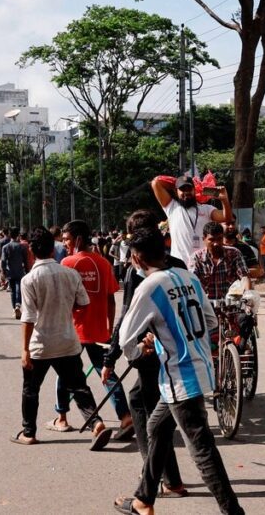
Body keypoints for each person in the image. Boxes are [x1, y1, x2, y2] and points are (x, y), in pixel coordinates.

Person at [115, 227, 243, 515]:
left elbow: (125, 338)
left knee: (202, 451)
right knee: (156, 427)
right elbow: (210, 321)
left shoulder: (149, 286)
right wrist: (164, 337)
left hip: (180, 377)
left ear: (136, 258)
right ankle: (144, 499)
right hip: (198, 369)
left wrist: (140, 352)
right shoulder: (189, 277)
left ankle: (233, 511)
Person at [102, 210, 188, 501]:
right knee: (157, 412)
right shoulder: (179, 266)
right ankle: (169, 478)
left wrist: (110, 357)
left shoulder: (139, 272)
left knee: (143, 403)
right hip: (179, 352)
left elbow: (126, 319)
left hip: (153, 351)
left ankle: (154, 477)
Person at [11, 226, 112, 450]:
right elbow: (83, 302)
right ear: (52, 250)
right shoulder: (70, 274)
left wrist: (25, 350)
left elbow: (28, 318)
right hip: (67, 341)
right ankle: (96, 423)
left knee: (31, 389)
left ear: (32, 252)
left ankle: (29, 432)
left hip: (41, 344)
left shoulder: (29, 280)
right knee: (79, 387)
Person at [49, 220, 132, 438]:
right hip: (99, 330)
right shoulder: (104, 263)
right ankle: (125, 416)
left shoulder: (67, 263)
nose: (65, 244)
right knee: (108, 373)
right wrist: (110, 328)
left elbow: (62, 299)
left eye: (67, 239)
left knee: (65, 375)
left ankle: (62, 417)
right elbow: (111, 299)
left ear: (77, 239)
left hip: (73, 330)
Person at [151, 174, 232, 268]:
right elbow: (155, 183)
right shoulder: (171, 207)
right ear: (176, 191)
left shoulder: (206, 209)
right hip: (179, 266)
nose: (186, 192)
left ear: (194, 190)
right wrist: (176, 183)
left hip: (202, 266)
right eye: (182, 189)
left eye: (189, 189)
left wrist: (224, 200)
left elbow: (226, 218)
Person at [191, 221, 252, 301]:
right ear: (204, 239)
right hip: (207, 308)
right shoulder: (196, 258)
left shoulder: (234, 253)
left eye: (219, 239)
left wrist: (248, 296)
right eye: (211, 240)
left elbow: (244, 276)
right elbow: (191, 280)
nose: (216, 243)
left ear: (223, 237)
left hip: (231, 306)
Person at [1, 227, 30, 319]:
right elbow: (25, 260)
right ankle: (18, 305)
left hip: (10, 272)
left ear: (10, 235)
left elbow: (3, 261)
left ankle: (14, 308)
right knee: (19, 289)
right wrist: (27, 270)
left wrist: (3, 271)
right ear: (18, 235)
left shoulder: (5, 247)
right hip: (20, 272)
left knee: (12, 291)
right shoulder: (22, 247)